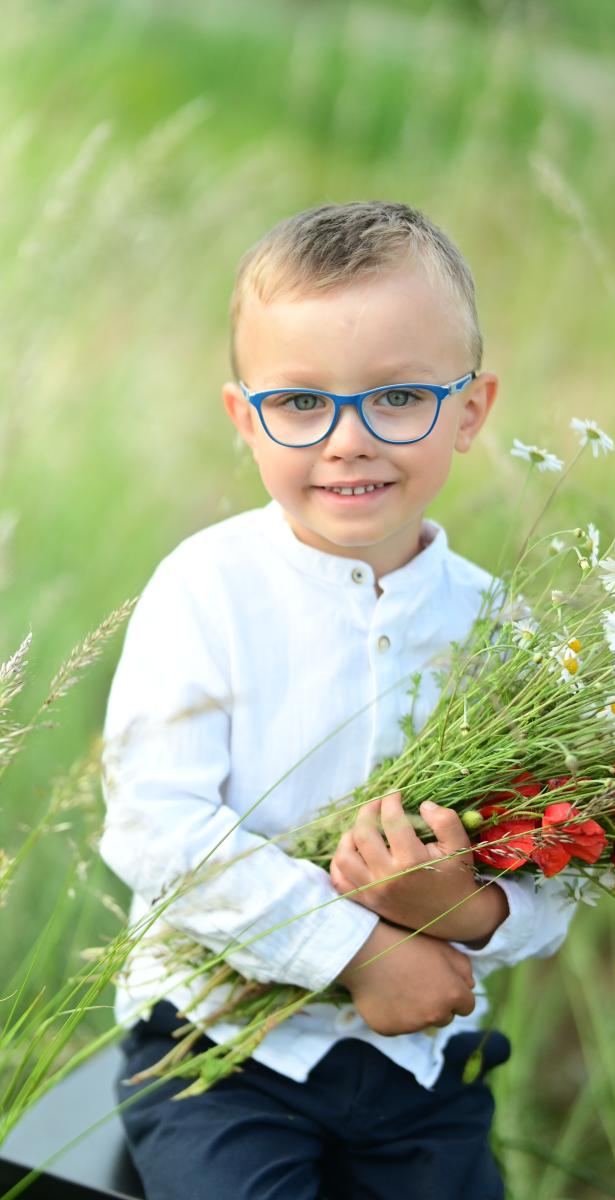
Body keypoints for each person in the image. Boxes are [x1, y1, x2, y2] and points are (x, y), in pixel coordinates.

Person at [100, 200, 577, 1200]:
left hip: (422, 1063)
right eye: (301, 403)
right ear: (245, 418)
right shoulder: (205, 588)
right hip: (217, 1051)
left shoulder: (506, 634)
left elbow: (561, 873)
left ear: (471, 410)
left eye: (398, 396)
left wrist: (469, 908)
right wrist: (355, 948)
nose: (347, 441)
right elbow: (156, 826)